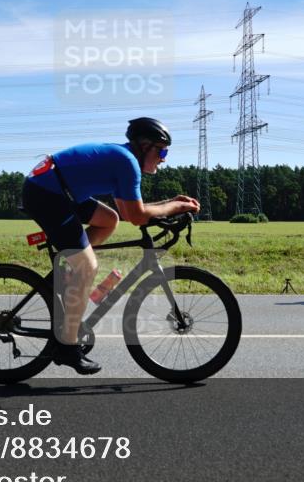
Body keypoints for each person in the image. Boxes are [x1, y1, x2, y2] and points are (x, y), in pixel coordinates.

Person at [21, 118, 200, 374]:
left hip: (57, 189)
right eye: (162, 151)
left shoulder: (124, 160)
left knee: (109, 219)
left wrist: (171, 201)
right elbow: (138, 217)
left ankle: (68, 268)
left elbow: (127, 212)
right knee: (88, 268)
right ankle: (67, 347)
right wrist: (178, 207)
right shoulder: (127, 163)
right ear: (146, 146)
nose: (164, 158)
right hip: (47, 193)